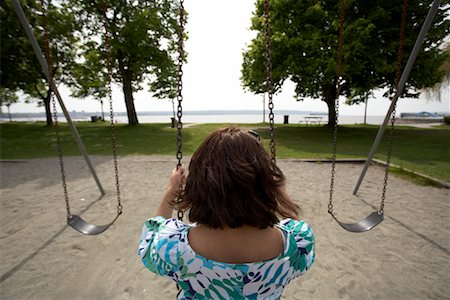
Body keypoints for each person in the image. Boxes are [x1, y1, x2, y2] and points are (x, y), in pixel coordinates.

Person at [138, 126, 315, 299]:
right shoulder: (296, 243)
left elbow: (151, 236)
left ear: (199, 185)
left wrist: (172, 189)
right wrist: (280, 192)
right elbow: (296, 229)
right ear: (266, 185)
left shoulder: (172, 246)